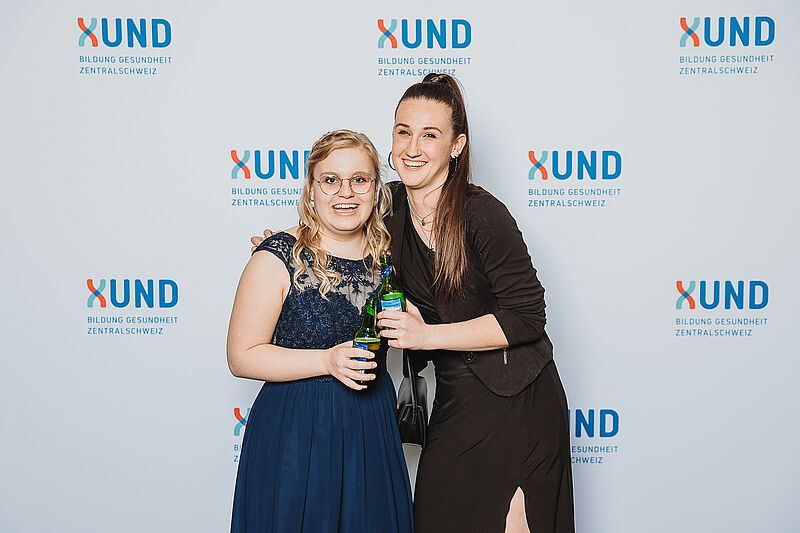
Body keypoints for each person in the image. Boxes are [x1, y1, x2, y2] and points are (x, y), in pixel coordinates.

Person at [252, 75, 574, 533]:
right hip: (456, 399)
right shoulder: (390, 208)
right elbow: (339, 223)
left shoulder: (483, 213)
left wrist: (426, 335)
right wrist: (285, 248)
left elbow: (527, 317)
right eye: (403, 132)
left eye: (430, 135)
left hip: (517, 399)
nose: (413, 148)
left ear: (456, 146)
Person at [228, 129, 413, 533]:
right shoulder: (277, 256)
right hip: (296, 432)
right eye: (331, 180)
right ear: (311, 189)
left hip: (371, 425)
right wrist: (327, 361)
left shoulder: (391, 256)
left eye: (359, 180)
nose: (345, 192)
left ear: (376, 189)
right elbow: (241, 356)